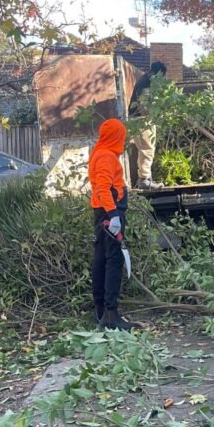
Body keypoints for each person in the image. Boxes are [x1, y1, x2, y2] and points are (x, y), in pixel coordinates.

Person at [89, 118, 134, 331]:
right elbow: (103, 189)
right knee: (113, 261)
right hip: (109, 215)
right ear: (116, 136)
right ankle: (110, 313)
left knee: (100, 260)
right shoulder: (107, 157)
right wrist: (114, 214)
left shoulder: (99, 153)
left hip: (102, 215)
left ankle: (100, 310)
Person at [129, 60, 167, 189]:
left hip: (138, 119)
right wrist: (156, 113)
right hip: (142, 120)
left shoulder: (144, 80)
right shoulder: (146, 84)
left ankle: (144, 179)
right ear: (154, 73)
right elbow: (143, 107)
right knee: (147, 148)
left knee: (144, 149)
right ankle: (145, 180)